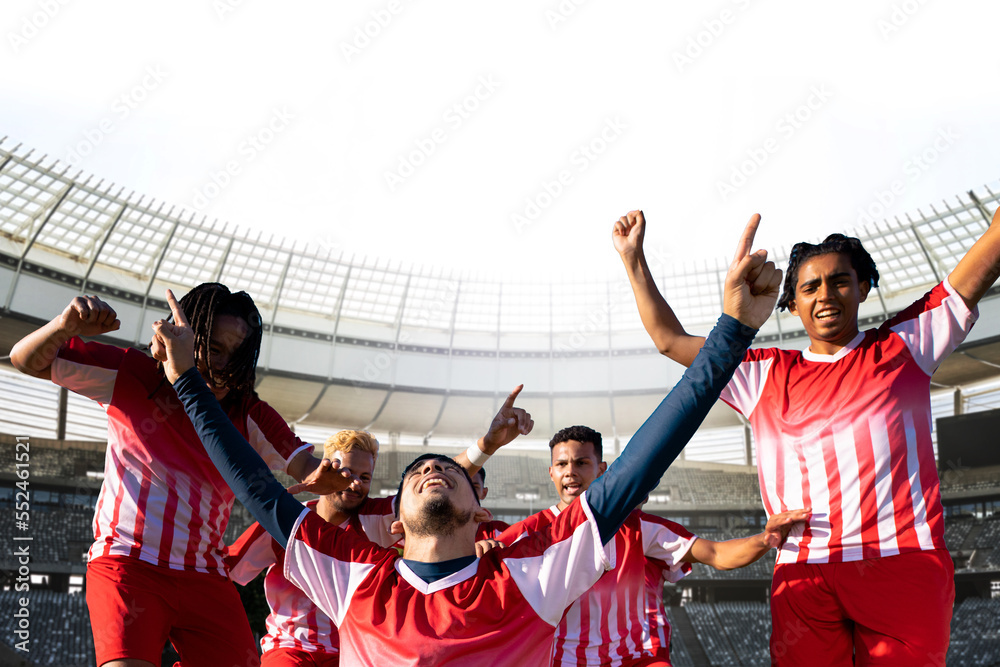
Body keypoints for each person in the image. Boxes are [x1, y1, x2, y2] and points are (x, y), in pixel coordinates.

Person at [152, 226, 780, 666]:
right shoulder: (353, 577)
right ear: (391, 525)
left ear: (481, 513)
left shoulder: (532, 571)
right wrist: (184, 380)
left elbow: (646, 456)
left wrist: (730, 335)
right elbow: (253, 484)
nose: (432, 470)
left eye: (446, 469)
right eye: (420, 470)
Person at [613, 209, 1000, 666]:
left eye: (839, 281)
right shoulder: (763, 373)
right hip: (802, 571)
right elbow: (669, 339)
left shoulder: (905, 344)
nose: (826, 295)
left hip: (902, 561)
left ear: (863, 287)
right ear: (791, 304)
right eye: (810, 287)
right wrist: (634, 260)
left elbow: (975, 272)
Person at [9, 283, 345, 667]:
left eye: (235, 357)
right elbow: (26, 359)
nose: (221, 366)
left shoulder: (249, 411)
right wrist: (64, 326)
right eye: (213, 349)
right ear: (182, 334)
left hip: (205, 577)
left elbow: (304, 464)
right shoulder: (132, 374)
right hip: (128, 564)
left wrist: (329, 476)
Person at [498, 425, 808, 667]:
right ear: (551, 472)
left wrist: (764, 540)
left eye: (581, 462)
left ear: (602, 470)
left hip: (635, 659)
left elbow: (715, 554)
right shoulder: (533, 530)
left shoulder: (639, 528)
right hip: (561, 660)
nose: (570, 472)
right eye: (562, 464)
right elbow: (483, 564)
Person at [226, 430, 394, 667]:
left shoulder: (376, 519)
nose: (355, 483)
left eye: (365, 477)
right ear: (324, 469)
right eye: (347, 472)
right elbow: (224, 570)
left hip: (349, 653)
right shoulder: (286, 521)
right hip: (288, 649)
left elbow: (426, 497)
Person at [471, 467, 510, 540]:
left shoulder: (501, 531)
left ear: (484, 493)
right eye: (461, 486)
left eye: (475, 487)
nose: (468, 491)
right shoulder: (443, 531)